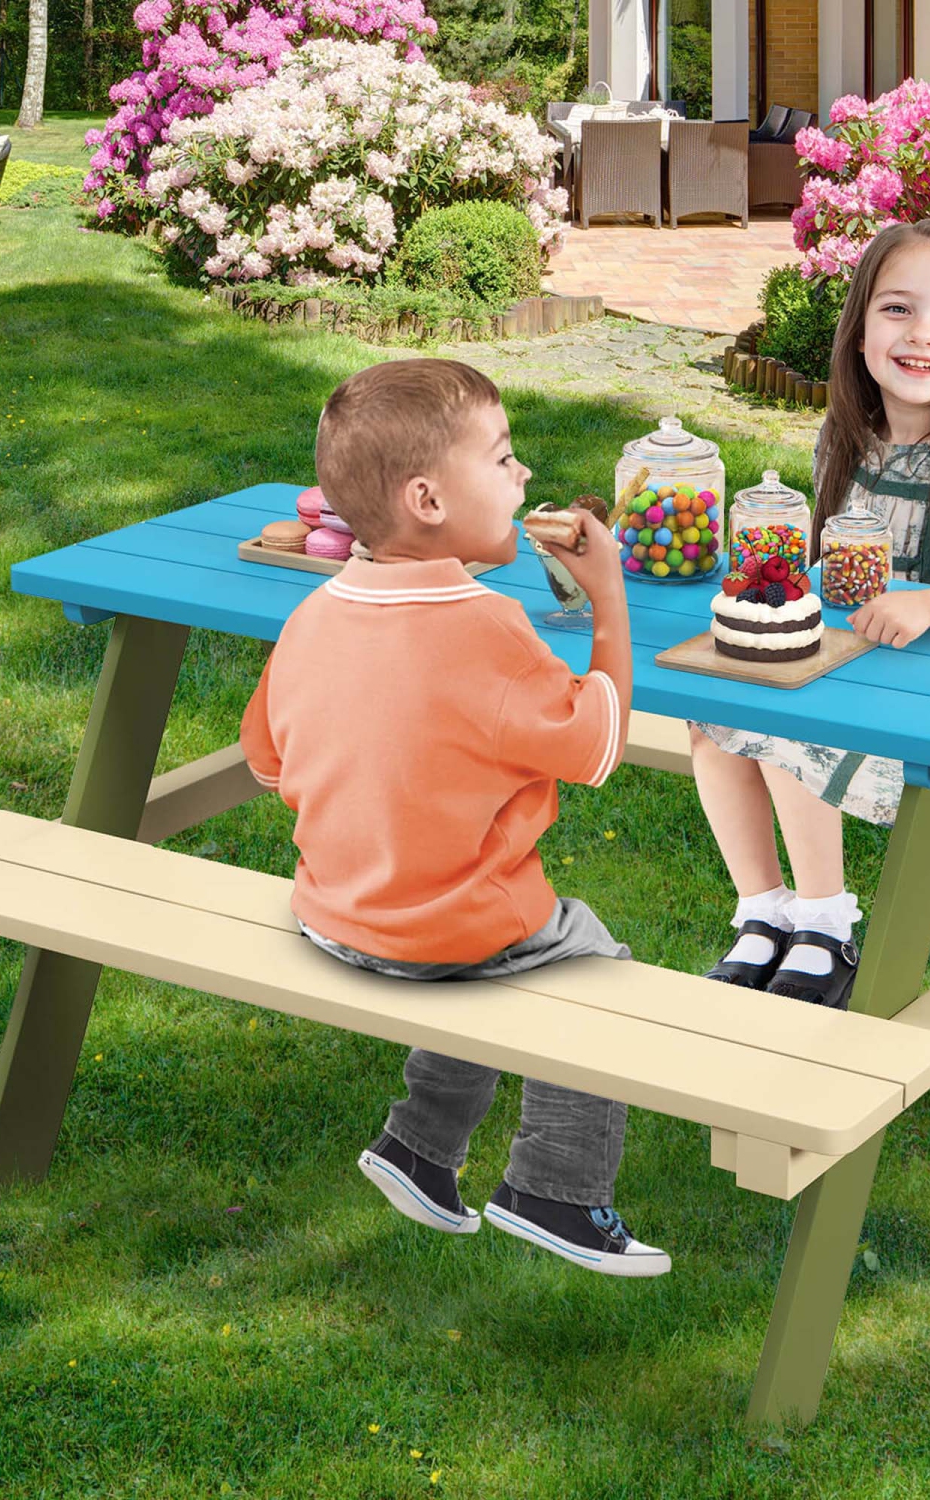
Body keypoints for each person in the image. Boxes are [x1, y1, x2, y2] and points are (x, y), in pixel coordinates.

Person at [240, 358, 670, 1278]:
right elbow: (597, 745)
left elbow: (267, 762)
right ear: (429, 499)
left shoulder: (314, 612)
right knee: (589, 967)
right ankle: (553, 1191)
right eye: (504, 458)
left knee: (466, 929)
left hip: (337, 913)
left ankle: (417, 1150)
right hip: (439, 929)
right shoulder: (488, 629)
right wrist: (609, 600)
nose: (522, 478)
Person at [691, 218, 930, 1007]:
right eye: (897, 309)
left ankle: (826, 925)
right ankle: (766, 911)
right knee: (708, 715)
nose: (922, 334)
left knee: (784, 723)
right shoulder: (848, 443)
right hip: (855, 673)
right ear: (860, 330)